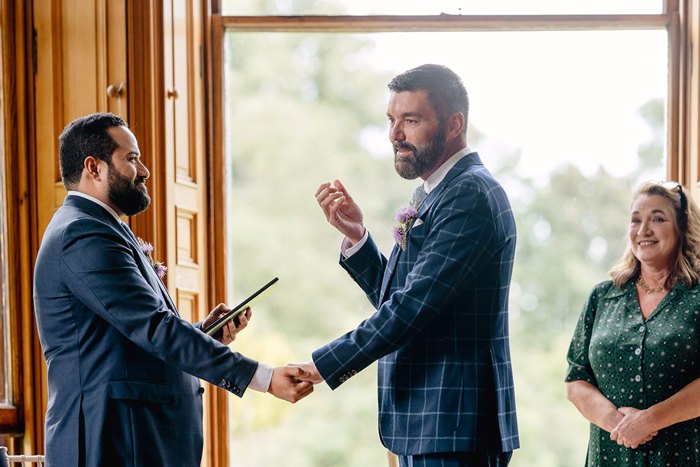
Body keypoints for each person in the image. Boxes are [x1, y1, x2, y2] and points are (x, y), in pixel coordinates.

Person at [33, 113, 313, 466]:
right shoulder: (82, 234)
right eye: (131, 159)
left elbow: (130, 337)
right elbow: (154, 328)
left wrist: (204, 334)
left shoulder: (100, 228)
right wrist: (265, 378)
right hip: (112, 440)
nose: (145, 171)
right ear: (94, 167)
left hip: (136, 438)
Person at [297, 64, 519, 466]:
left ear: (454, 124)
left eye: (410, 120)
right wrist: (359, 238)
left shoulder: (470, 194)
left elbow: (412, 307)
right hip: (425, 425)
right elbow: (404, 296)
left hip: (454, 426)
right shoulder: (432, 192)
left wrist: (323, 364)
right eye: (391, 120)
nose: (394, 135)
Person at [566, 182, 700, 466]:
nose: (643, 230)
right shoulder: (602, 296)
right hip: (610, 457)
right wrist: (622, 425)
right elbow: (576, 379)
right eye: (636, 220)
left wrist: (649, 420)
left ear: (682, 227)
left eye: (658, 219)